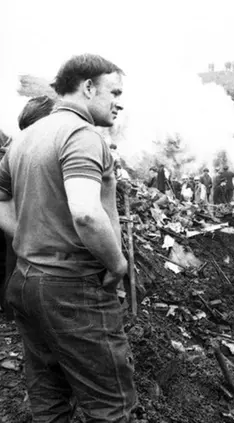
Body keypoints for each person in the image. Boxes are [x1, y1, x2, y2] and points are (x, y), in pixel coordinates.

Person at [0, 54, 137, 421]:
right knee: (111, 405)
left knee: (49, 399)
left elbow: (1, 203)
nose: (118, 101)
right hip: (74, 289)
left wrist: (30, 241)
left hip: (27, 283)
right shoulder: (82, 135)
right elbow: (87, 214)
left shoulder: (25, 139)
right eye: (114, 92)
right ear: (88, 87)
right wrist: (117, 263)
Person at [1, 96, 55, 319]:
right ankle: (13, 311)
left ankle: (12, 310)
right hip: (20, 224)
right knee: (15, 267)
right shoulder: (20, 154)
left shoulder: (20, 151)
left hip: (23, 224)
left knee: (14, 267)